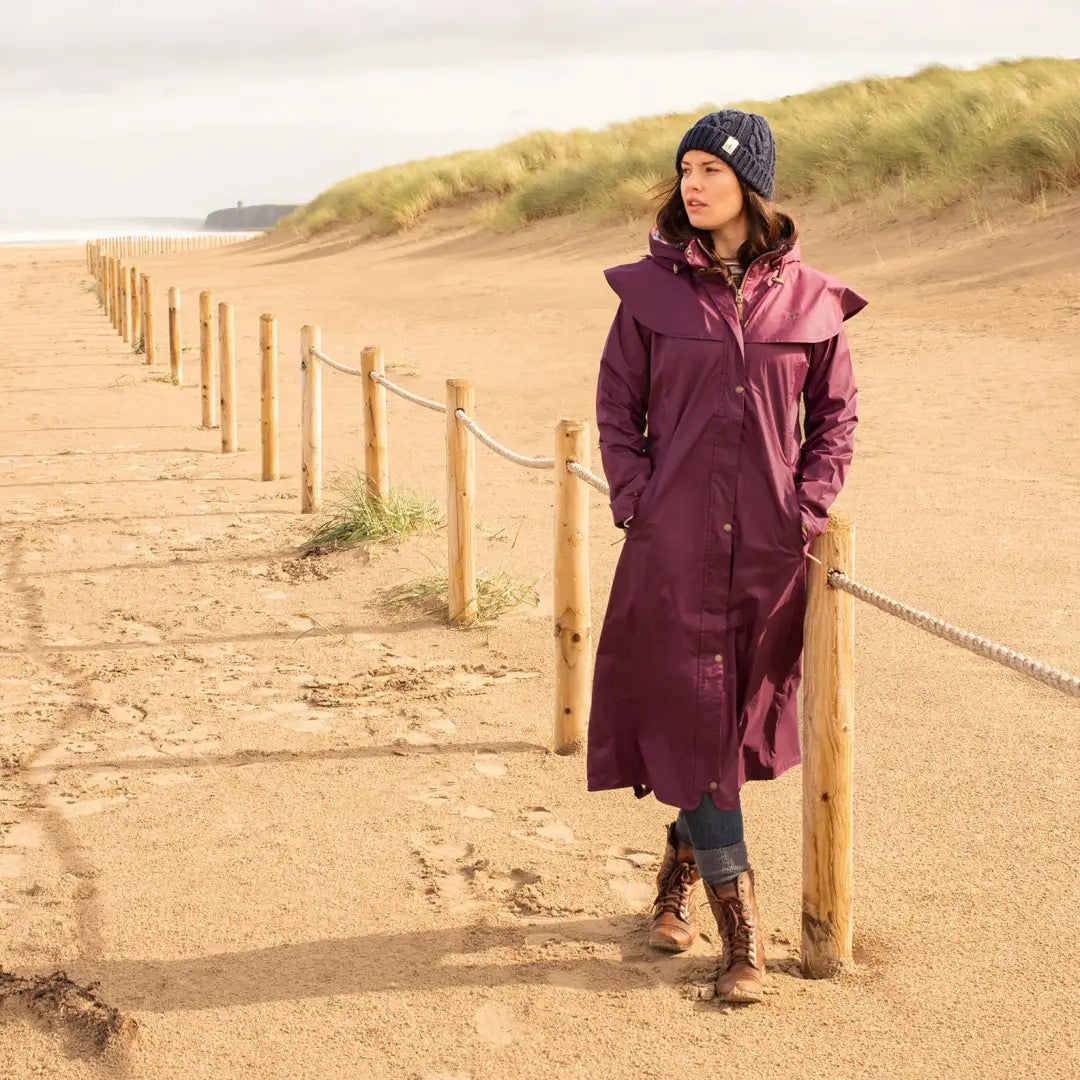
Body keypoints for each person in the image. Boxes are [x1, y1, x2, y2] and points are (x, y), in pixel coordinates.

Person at [589, 109, 866, 1004]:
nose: (692, 184)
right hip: (670, 552)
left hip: (768, 556)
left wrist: (808, 505)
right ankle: (741, 939)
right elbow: (615, 409)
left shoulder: (811, 300)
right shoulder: (648, 296)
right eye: (685, 169)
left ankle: (674, 880)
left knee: (724, 725)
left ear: (751, 181)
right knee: (694, 718)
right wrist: (636, 499)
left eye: (710, 167)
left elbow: (835, 418)